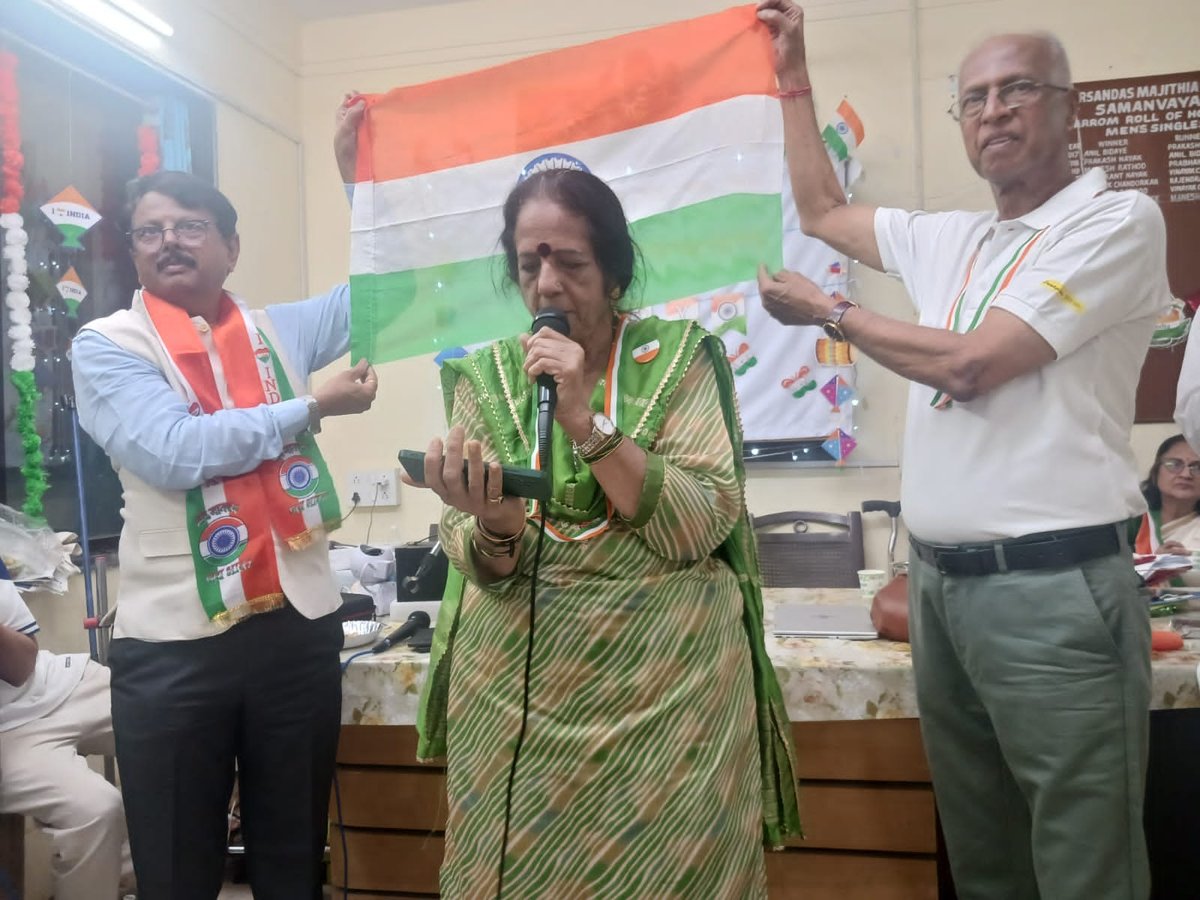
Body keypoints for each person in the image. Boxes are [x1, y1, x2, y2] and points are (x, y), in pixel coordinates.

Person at [754, 2, 1171, 898]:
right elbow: (822, 207)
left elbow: (978, 365)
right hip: (942, 593)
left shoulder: (1115, 223)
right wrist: (793, 72)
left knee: (1083, 864)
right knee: (984, 861)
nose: (994, 110)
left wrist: (832, 313)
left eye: (1018, 88)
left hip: (1055, 593)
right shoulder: (955, 238)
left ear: (1070, 107)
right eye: (974, 97)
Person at [377, 159, 799, 895]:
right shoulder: (489, 377)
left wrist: (584, 420)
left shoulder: (679, 361)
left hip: (672, 709)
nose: (546, 285)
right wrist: (496, 525)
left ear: (613, 272)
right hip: (516, 710)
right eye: (528, 264)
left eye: (570, 262)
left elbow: (699, 522)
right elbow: (476, 557)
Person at [71, 111, 378, 900]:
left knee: (291, 860)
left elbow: (377, 293)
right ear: (134, 251)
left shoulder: (278, 331)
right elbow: (171, 451)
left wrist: (359, 182)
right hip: (175, 643)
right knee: (177, 869)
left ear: (231, 247)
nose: (169, 239)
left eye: (191, 225)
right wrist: (307, 408)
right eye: (149, 231)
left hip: (296, 629)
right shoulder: (107, 346)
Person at [0, 578, 134, 900]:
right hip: (8, 734)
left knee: (182, 725)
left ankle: (131, 875)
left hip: (60, 682)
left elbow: (22, 667)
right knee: (97, 810)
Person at [1132, 434, 1200, 566]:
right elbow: (1108, 573)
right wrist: (1153, 565)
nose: (1185, 475)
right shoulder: (1132, 520)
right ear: (1156, 471)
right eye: (1174, 464)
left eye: (1197, 467)